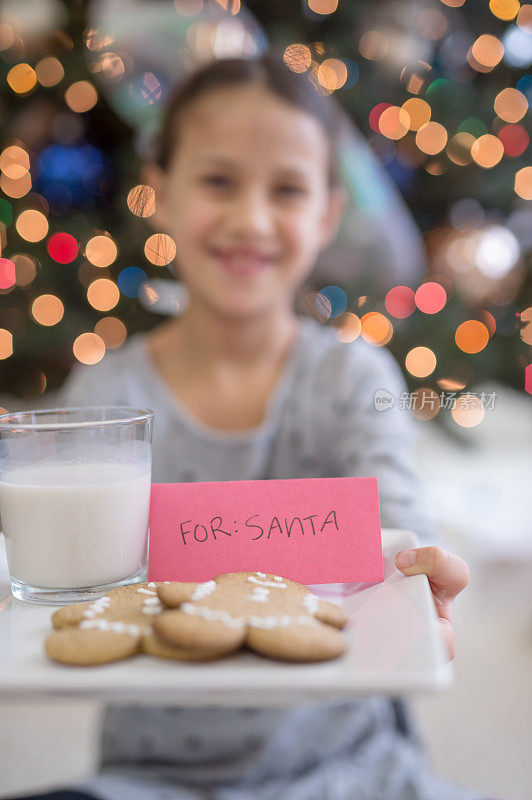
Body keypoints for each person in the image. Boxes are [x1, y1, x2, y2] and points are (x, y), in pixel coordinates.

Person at [20, 53, 475, 800]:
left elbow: (397, 538)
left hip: (354, 771)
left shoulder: (351, 381)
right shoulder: (111, 392)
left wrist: (422, 595)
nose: (250, 220)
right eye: (219, 181)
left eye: (288, 189)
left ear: (326, 215)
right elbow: (60, 576)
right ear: (160, 193)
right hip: (150, 778)